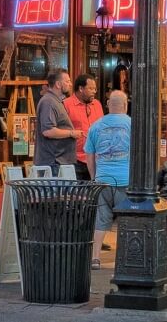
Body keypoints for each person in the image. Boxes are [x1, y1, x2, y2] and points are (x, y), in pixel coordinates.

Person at [84, 90, 131, 270]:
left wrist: (94, 177)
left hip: (102, 180)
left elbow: (90, 156)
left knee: (100, 219)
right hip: (125, 180)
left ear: (108, 105)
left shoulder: (96, 126)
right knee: (126, 220)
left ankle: (95, 258)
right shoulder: (132, 124)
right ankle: (125, 258)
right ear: (125, 105)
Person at [34, 69, 82, 175]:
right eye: (67, 81)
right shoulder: (48, 102)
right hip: (53, 163)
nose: (70, 84)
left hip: (59, 163)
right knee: (55, 192)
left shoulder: (56, 101)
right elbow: (48, 131)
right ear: (58, 84)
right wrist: (71, 133)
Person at [63, 74, 104, 180]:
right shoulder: (66, 104)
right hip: (74, 160)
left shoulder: (97, 104)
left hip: (96, 159)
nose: (94, 91)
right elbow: (60, 130)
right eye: (90, 88)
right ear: (80, 88)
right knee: (76, 195)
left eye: (95, 88)